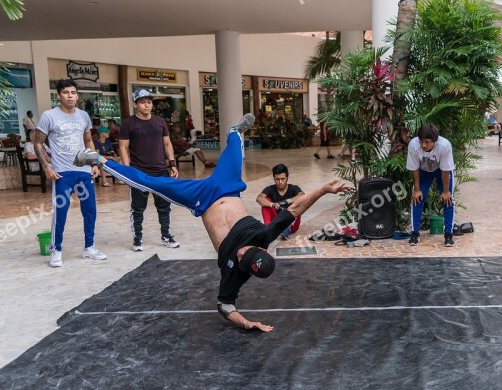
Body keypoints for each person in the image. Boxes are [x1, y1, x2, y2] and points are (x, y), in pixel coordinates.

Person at [77, 114, 351, 331]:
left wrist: (247, 322)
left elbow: (225, 306)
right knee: (234, 148)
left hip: (201, 199)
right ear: (262, 250)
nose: (241, 251)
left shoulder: (235, 274)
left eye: (242, 257)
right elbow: (295, 208)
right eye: (247, 251)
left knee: (151, 183)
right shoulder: (264, 237)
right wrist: (324, 190)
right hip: (227, 188)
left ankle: (99, 160)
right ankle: (236, 131)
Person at [33, 79, 107, 268]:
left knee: (90, 211)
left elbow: (89, 141)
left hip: (83, 171)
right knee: (61, 213)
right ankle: (56, 250)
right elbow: (38, 143)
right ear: (59, 95)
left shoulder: (83, 116)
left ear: (77, 95)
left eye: (73, 92)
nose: (70, 96)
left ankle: (89, 247)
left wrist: (94, 163)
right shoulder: (49, 116)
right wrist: (46, 167)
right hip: (62, 173)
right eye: (66, 92)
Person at [119, 89, 180, 251]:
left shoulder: (160, 122)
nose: (147, 105)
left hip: (160, 170)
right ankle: (137, 238)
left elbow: (167, 144)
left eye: (149, 102)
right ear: (135, 104)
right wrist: (127, 171)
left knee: (164, 206)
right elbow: (123, 147)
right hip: (139, 172)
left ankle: (166, 235)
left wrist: (172, 164)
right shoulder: (128, 123)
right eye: (142, 102)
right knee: (138, 208)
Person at [406, 124, 456, 248]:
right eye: (421, 141)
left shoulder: (444, 146)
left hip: (442, 172)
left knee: (448, 200)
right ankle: (415, 233)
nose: (423, 145)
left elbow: (445, 170)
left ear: (435, 141)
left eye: (427, 142)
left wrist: (445, 191)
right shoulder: (413, 145)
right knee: (417, 198)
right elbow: (414, 168)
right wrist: (417, 189)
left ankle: (448, 234)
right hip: (423, 171)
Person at [256, 164, 304, 240]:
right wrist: (272, 204)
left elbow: (302, 196)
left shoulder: (294, 188)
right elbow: (259, 198)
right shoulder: (270, 189)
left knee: (299, 201)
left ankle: (286, 228)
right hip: (276, 222)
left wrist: (284, 202)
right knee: (266, 201)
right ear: (274, 179)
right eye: (277, 179)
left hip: (291, 221)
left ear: (287, 178)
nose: (280, 182)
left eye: (283, 179)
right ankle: (267, 227)